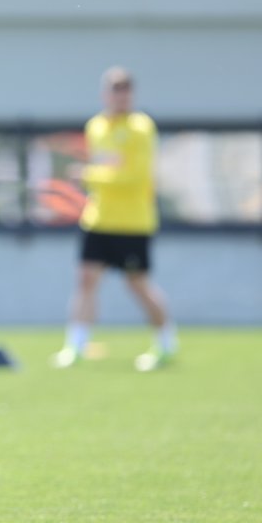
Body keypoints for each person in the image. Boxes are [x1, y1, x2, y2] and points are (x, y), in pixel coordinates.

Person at [52, 66, 176, 372]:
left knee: (138, 284)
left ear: (131, 95)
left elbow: (136, 176)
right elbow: (109, 167)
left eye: (125, 90)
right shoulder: (96, 126)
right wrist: (97, 176)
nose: (120, 96)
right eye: (115, 90)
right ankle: (75, 346)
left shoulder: (141, 128)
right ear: (105, 94)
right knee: (86, 279)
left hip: (132, 223)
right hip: (98, 220)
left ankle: (166, 344)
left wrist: (90, 175)